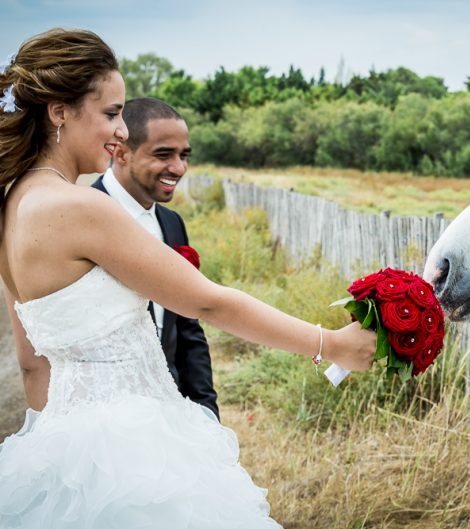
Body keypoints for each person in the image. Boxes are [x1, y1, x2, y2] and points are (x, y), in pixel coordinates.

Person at [0, 28, 376, 528]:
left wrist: (70, 453)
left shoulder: (12, 208)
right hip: (135, 449)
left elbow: (31, 361)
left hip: (65, 445)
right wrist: (332, 344)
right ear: (59, 111)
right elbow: (209, 303)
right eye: (111, 113)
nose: (121, 131)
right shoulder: (79, 206)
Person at [93, 97, 218, 419]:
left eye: (184, 155)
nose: (178, 168)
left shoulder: (173, 223)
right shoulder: (83, 214)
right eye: (163, 154)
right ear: (120, 152)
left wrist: (206, 412)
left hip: (169, 407)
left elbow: (189, 328)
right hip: (102, 416)